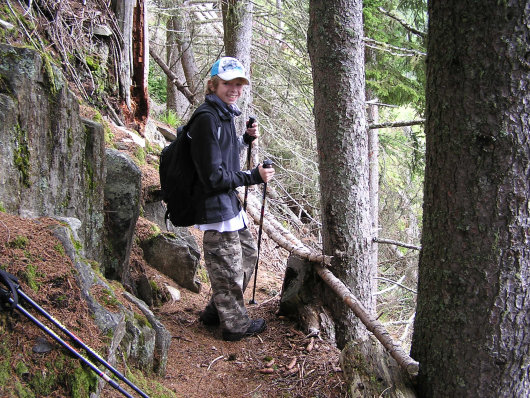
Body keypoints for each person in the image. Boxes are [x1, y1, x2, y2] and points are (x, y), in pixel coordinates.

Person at [188, 57, 275, 341]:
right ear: (213, 85)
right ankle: (234, 326)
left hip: (228, 204)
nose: (234, 89)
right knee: (227, 268)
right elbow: (213, 176)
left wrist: (246, 141)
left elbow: (223, 154)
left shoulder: (224, 113)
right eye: (227, 83)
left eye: (238, 84)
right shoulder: (206, 119)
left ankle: (217, 310)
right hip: (214, 207)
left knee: (247, 255)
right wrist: (253, 176)